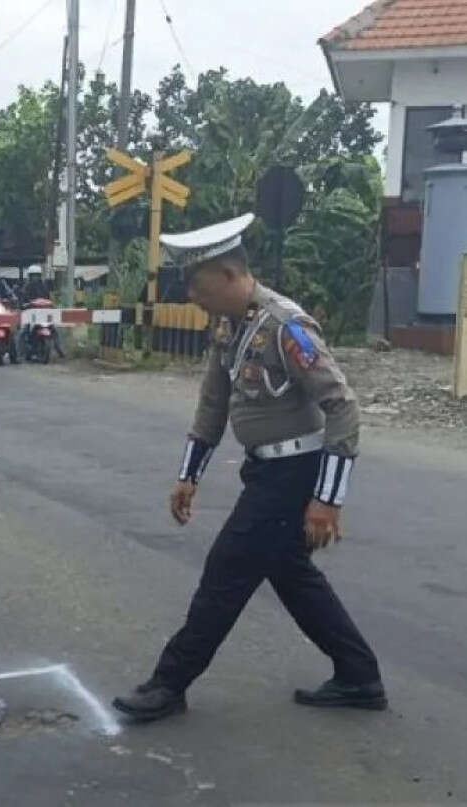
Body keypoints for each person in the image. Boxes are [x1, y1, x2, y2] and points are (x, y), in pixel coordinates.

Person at [111, 213, 385, 722]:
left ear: (230, 274)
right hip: (263, 472)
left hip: (293, 474)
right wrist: (188, 475)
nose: (192, 294)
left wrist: (327, 498)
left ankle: (169, 683)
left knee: (226, 572)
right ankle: (359, 674)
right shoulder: (228, 327)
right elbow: (213, 404)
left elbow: (343, 406)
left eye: (197, 283)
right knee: (292, 576)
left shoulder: (284, 326)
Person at [18, 265, 64, 359]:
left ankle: (59, 349)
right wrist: (25, 305)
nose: (35, 277)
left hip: (44, 314)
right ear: (30, 276)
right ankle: (20, 353)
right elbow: (22, 301)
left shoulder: (44, 287)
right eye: (33, 275)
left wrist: (52, 305)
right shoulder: (26, 288)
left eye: (37, 275)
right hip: (31, 315)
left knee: (55, 329)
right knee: (23, 331)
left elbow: (49, 299)